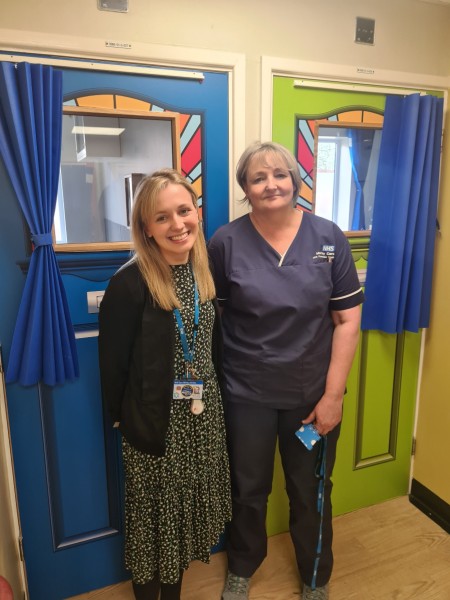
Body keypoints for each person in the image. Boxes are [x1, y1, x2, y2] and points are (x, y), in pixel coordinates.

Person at [208, 142, 364, 600]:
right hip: (247, 393)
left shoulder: (329, 238)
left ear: (296, 181)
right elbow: (216, 317)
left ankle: (316, 577)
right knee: (248, 489)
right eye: (258, 178)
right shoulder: (225, 242)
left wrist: (332, 396)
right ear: (246, 189)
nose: (271, 184)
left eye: (280, 174)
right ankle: (242, 567)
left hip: (310, 396)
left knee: (310, 490)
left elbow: (347, 320)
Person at [98, 169, 231, 600]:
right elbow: (113, 363)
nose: (177, 225)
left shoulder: (204, 272)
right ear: (145, 229)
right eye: (162, 218)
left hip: (201, 420)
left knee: (181, 522)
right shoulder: (129, 283)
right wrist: (120, 419)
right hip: (154, 425)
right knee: (152, 525)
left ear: (197, 213)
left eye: (183, 211)